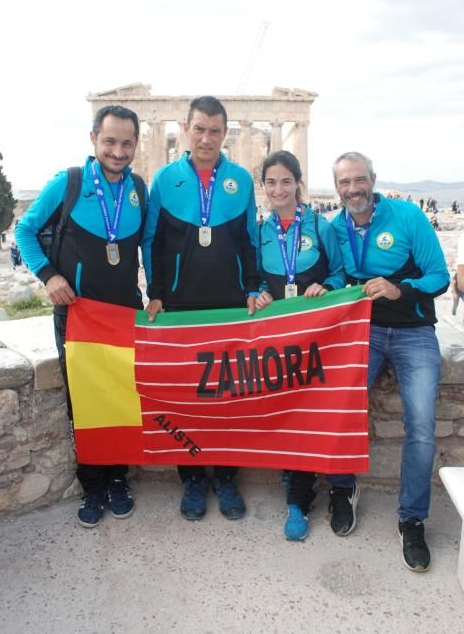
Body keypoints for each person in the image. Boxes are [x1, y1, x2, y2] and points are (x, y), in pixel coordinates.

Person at [15, 105, 148, 528]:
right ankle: (92, 485)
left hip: (125, 312)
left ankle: (118, 480)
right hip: (77, 315)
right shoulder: (68, 182)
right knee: (85, 401)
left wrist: (157, 293)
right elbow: (25, 231)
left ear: (135, 145)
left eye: (127, 142)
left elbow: (148, 243)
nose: (118, 150)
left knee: (124, 398)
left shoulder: (138, 189)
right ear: (93, 139)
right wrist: (48, 275)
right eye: (110, 141)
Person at [142, 96, 260, 522]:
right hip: (179, 307)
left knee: (228, 397)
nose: (206, 138)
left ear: (224, 134)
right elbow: (152, 240)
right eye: (199, 129)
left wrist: (253, 287)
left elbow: (248, 240)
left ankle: (226, 476)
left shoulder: (241, 180)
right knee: (184, 397)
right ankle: (191, 477)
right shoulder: (164, 180)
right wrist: (155, 291)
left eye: (214, 131)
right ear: (186, 129)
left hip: (229, 307)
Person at [330, 151, 449, 572]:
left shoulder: (408, 217)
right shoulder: (334, 228)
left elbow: (440, 276)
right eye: (344, 183)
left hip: (415, 332)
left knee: (421, 423)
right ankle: (343, 490)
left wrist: (401, 290)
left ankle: (411, 518)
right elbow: (333, 280)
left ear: (373, 180)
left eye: (359, 180)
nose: (353, 189)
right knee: (341, 410)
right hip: (364, 334)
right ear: (337, 187)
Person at [253, 150, 346, 541]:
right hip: (278, 340)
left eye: (286, 181)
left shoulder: (321, 227)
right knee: (283, 409)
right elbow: (257, 279)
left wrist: (326, 288)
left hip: (316, 337)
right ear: (264, 187)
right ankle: (292, 475)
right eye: (271, 182)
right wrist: (257, 293)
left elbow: (341, 274)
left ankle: (298, 499)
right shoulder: (260, 231)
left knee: (307, 412)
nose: (279, 189)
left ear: (298, 183)